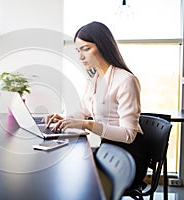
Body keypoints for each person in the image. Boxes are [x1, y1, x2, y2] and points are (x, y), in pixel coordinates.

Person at [42, 21, 148, 189]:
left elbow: (128, 135)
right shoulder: (95, 78)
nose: (80, 56)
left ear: (102, 46)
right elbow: (84, 111)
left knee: (73, 176)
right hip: (108, 149)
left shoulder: (126, 80)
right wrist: (64, 118)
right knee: (64, 168)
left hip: (128, 158)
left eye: (86, 49)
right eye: (78, 51)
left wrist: (87, 124)